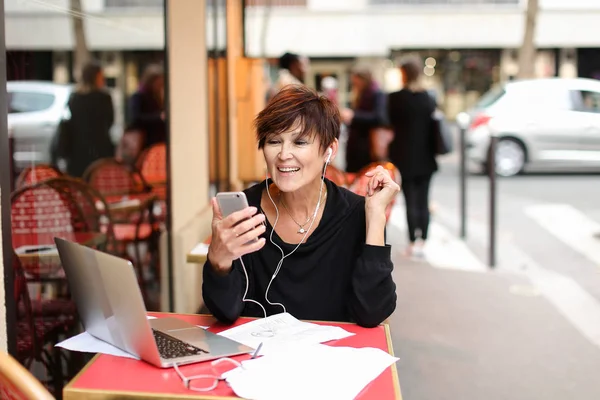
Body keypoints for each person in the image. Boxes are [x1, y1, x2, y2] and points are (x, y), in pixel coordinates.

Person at [202, 85, 399, 328]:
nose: (284, 154)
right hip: (256, 358)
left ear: (329, 150)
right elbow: (226, 311)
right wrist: (218, 262)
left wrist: (376, 216)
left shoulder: (356, 213)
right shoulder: (247, 212)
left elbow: (372, 313)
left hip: (331, 359)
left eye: (300, 142)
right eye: (274, 141)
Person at [387, 56, 438, 258]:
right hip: (426, 157)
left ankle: (411, 242)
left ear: (403, 74)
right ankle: (422, 241)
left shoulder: (395, 99)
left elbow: (389, 122)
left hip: (404, 156)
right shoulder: (429, 98)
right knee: (423, 201)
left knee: (410, 201)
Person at [59, 61, 115, 177]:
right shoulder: (104, 98)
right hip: (100, 149)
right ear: (96, 77)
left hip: (77, 151)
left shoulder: (75, 97)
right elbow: (110, 121)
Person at [341, 66, 387, 173]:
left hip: (367, 145)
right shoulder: (359, 94)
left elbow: (379, 118)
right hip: (356, 145)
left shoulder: (377, 94)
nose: (354, 84)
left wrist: (353, 116)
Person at [127, 64, 165, 151]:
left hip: (158, 143)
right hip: (144, 143)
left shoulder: (158, 97)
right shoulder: (138, 97)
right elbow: (136, 118)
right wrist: (158, 117)